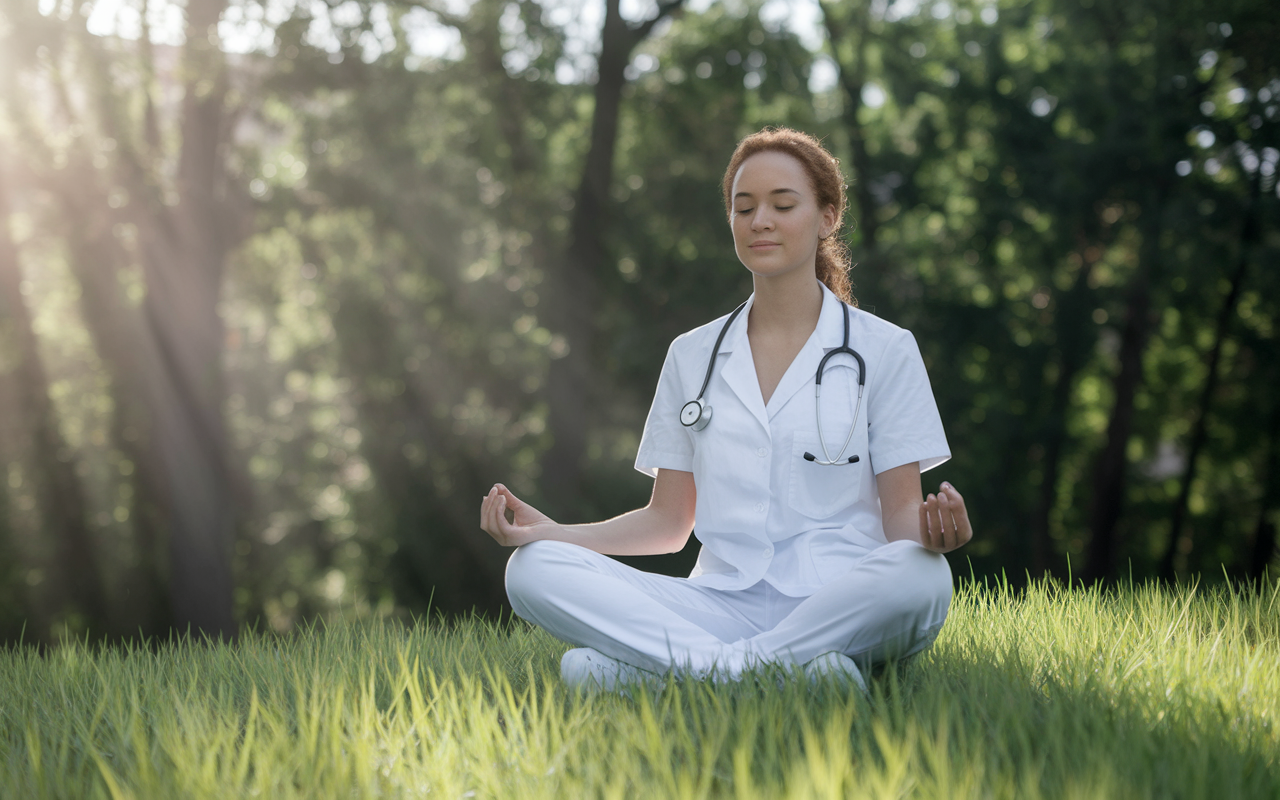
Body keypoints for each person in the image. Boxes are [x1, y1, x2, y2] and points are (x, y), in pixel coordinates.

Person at [479, 127, 972, 692]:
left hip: (840, 601)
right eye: (744, 208)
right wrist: (555, 534)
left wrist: (936, 536)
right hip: (717, 602)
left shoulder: (884, 349)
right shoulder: (692, 355)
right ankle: (784, 679)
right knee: (533, 570)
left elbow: (901, 518)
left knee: (920, 576)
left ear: (828, 217)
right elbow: (667, 524)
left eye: (783, 204)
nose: (760, 220)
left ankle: (691, 675)